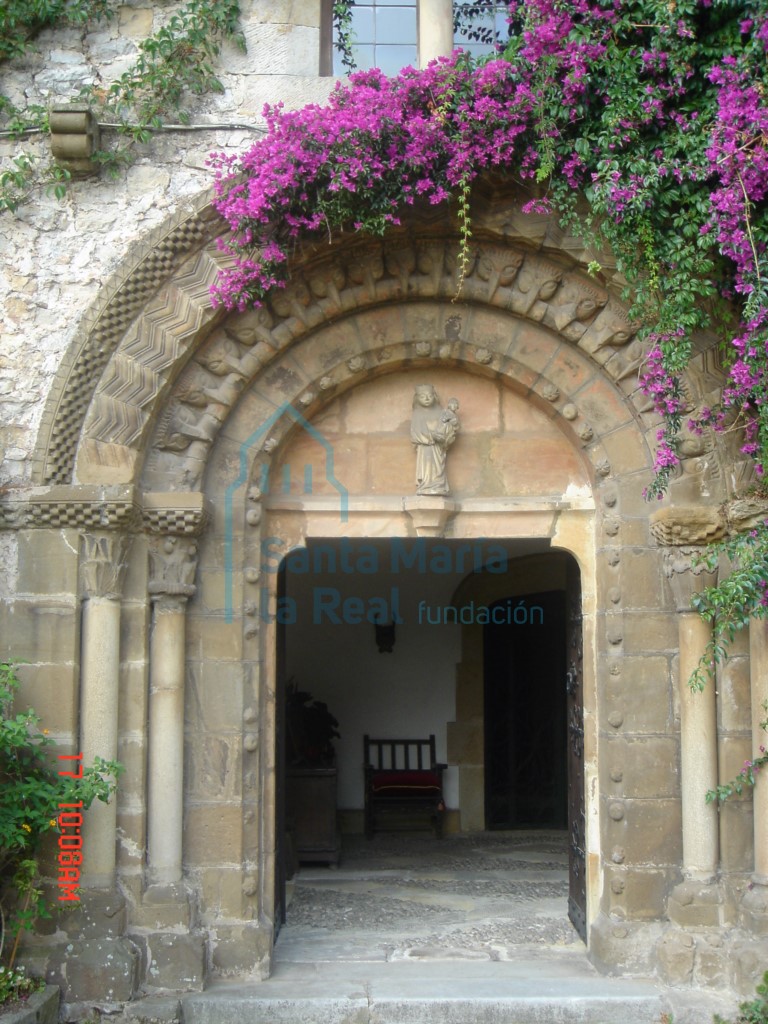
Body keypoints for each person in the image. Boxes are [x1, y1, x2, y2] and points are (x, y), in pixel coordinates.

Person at [410, 385, 460, 495]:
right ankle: (427, 486)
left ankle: (438, 486)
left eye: (429, 396)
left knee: (438, 469)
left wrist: (451, 424)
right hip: (425, 448)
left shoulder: (441, 412)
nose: (427, 399)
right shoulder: (417, 414)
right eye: (423, 396)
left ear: (434, 396)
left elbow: (449, 426)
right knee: (427, 466)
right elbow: (415, 433)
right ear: (417, 398)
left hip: (438, 447)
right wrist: (432, 437)